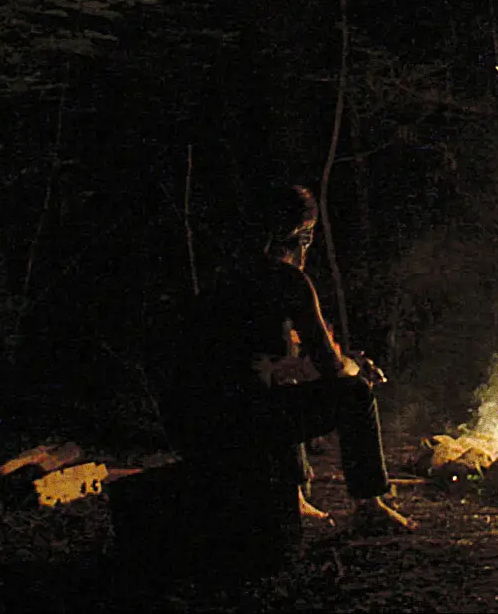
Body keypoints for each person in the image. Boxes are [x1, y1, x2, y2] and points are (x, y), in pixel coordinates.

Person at [167, 182, 414, 538]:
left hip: (195, 424)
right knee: (356, 394)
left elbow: (257, 365)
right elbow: (330, 366)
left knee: (282, 388)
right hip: (236, 422)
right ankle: (368, 506)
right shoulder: (287, 280)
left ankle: (291, 496)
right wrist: (357, 367)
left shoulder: (225, 277)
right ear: (301, 234)